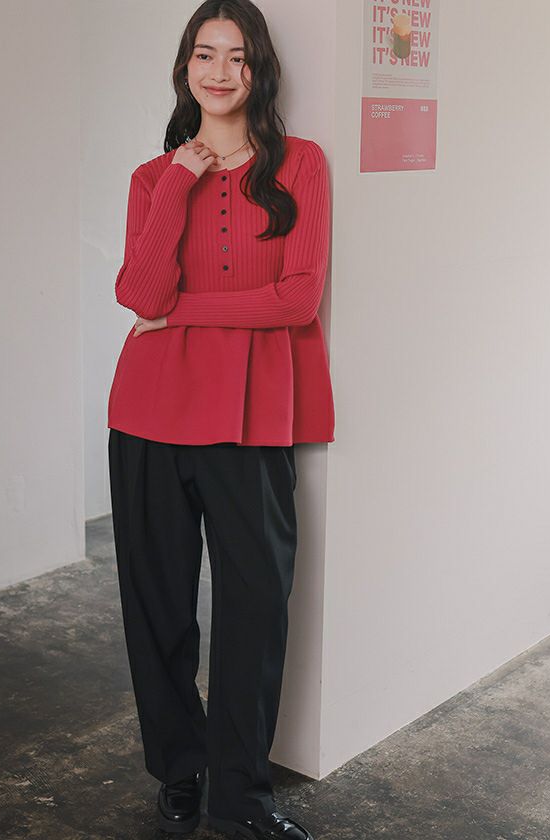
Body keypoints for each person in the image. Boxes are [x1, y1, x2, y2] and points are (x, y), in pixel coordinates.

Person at [107, 1, 334, 838]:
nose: (220, 71)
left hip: (253, 417)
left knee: (256, 609)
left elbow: (297, 300)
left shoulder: (301, 165)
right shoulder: (152, 178)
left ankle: (242, 794)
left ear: (258, 69)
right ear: (185, 68)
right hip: (148, 414)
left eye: (237, 57)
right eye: (204, 54)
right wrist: (181, 178)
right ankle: (180, 769)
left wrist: (182, 313)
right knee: (159, 607)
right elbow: (139, 293)